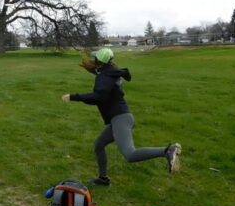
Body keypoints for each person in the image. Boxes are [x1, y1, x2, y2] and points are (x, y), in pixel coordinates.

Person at [62, 48, 181, 186]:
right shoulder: (112, 72)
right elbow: (103, 85)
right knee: (99, 145)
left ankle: (167, 151)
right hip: (120, 118)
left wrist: (73, 96)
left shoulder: (105, 76)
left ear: (99, 61)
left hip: (120, 118)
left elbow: (98, 97)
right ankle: (103, 179)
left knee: (130, 154)